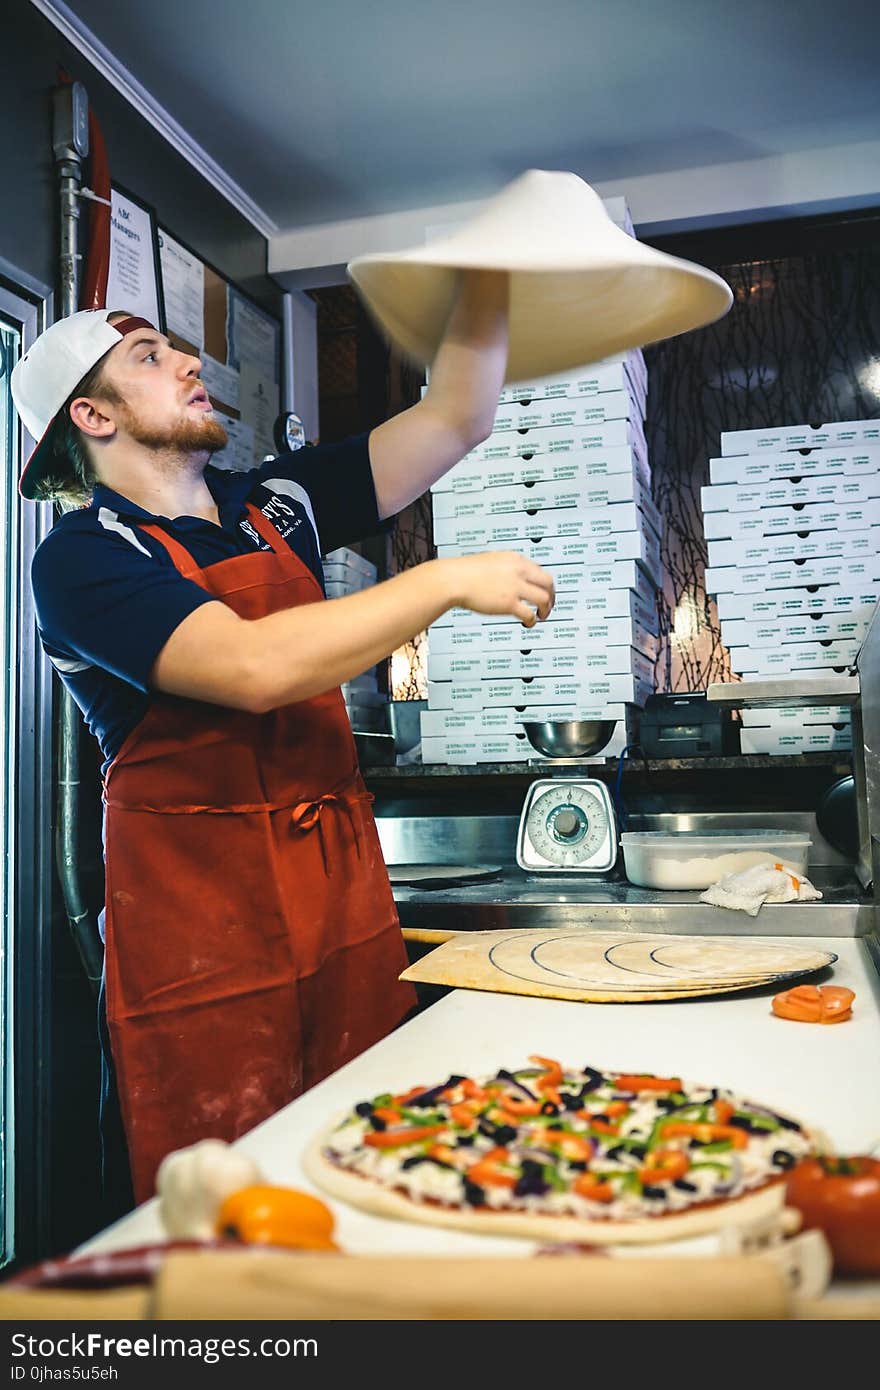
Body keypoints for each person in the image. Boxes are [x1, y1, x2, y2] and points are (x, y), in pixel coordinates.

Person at [11, 272, 555, 1204]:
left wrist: (492, 273)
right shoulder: (85, 557)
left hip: (339, 904)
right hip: (200, 937)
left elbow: (459, 415)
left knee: (375, 1159)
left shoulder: (276, 506)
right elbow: (253, 667)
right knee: (233, 1199)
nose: (188, 361)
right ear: (93, 416)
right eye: (150, 356)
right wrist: (439, 582)